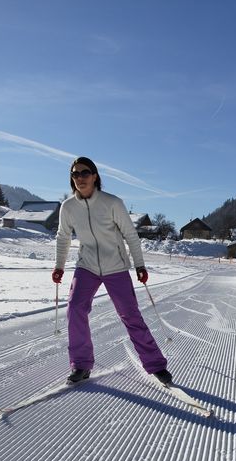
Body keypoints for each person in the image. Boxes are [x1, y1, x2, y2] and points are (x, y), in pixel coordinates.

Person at [52, 157, 172, 386]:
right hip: (86, 266)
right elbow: (63, 237)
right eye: (75, 174)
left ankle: (156, 365)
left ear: (95, 176)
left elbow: (131, 235)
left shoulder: (112, 203)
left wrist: (140, 265)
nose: (80, 178)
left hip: (115, 266)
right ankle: (81, 364)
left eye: (85, 173)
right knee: (75, 307)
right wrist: (59, 266)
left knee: (130, 315)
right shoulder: (68, 207)